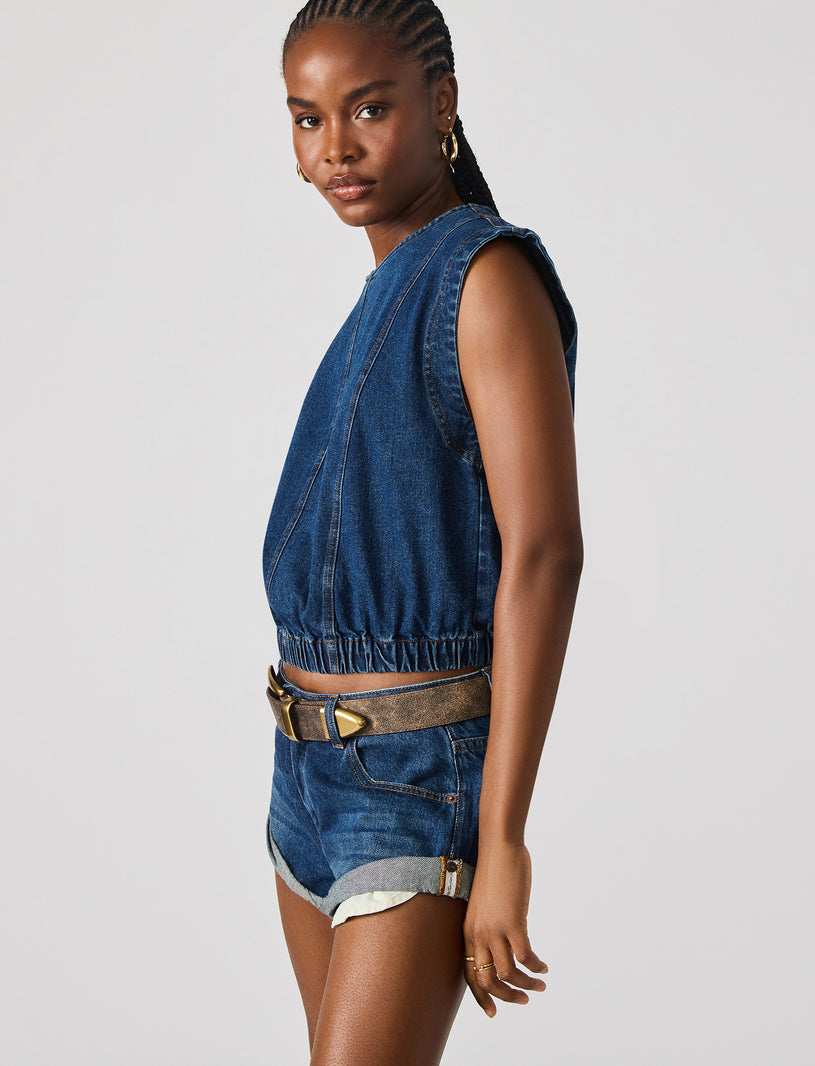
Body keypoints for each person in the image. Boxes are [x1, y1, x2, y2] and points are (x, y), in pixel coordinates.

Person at [262, 2, 583, 1063]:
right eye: (307, 118)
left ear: (441, 103)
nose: (334, 148)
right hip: (303, 776)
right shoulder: (388, 291)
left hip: (413, 781)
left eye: (368, 109)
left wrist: (502, 839)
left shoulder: (483, 278)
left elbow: (544, 556)